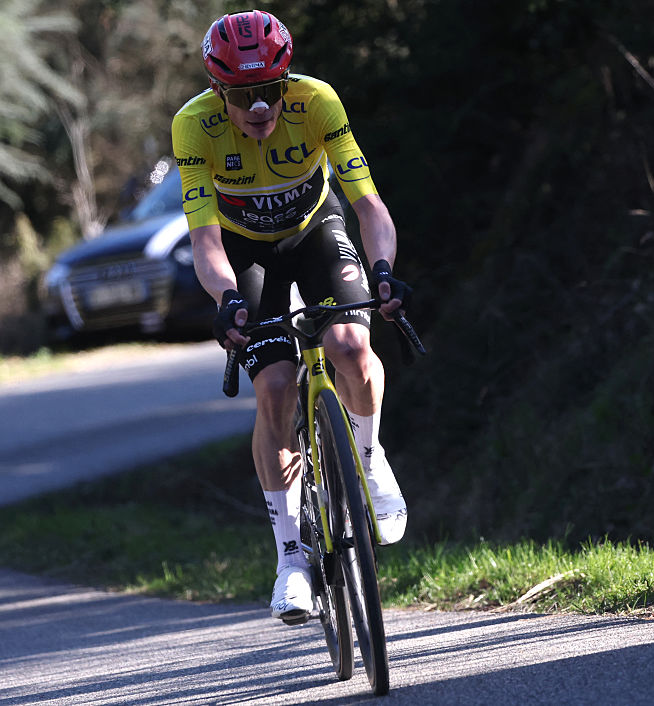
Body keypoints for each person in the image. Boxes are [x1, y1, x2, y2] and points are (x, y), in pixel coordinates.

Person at [171, 9, 411, 625]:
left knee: (352, 346)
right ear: (219, 91)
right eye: (243, 95)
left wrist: (382, 270)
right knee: (275, 386)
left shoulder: (316, 102)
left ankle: (370, 452)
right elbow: (204, 243)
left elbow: (370, 207)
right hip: (244, 251)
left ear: (287, 82)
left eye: (270, 90)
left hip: (314, 231)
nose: (259, 108)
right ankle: (291, 558)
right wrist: (226, 299)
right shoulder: (193, 126)